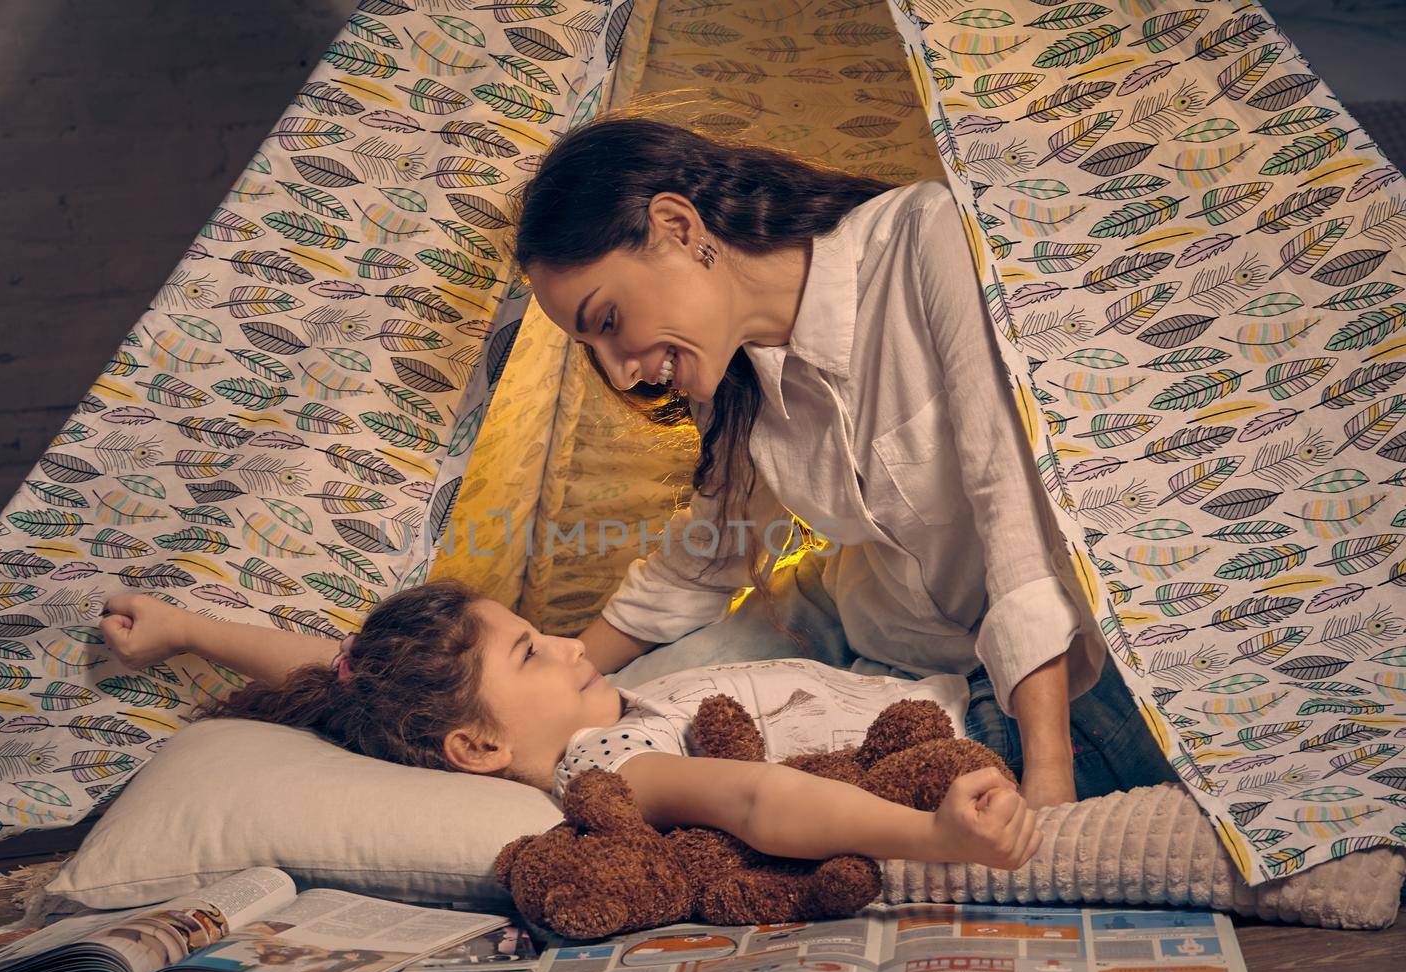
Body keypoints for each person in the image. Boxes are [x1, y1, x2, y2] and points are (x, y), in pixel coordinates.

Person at [512, 112, 1180, 809]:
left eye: (609, 321)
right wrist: (555, 668)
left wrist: (1049, 778)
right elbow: (704, 563)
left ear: (678, 229)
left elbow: (1012, 512)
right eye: (594, 348)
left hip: (1015, 662)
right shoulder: (728, 379)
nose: (619, 375)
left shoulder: (926, 237)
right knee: (597, 732)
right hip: (850, 627)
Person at [99, 584, 1041, 872]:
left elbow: (340, 674)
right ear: (476, 748)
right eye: (526, 654)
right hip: (981, 729)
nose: (560, 642)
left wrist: (189, 631)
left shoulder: (616, 707)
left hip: (955, 678)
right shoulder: (607, 764)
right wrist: (933, 836)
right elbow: (754, 798)